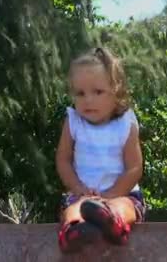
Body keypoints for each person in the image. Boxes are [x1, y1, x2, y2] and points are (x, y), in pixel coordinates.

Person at [56, 47, 146, 253]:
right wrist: (78, 188)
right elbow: (63, 160)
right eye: (80, 93)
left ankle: (114, 221)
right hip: (83, 195)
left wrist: (111, 196)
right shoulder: (73, 121)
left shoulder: (126, 123)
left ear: (116, 91)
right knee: (74, 208)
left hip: (122, 194)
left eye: (97, 92)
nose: (88, 100)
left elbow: (134, 168)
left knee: (126, 205)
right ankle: (75, 230)